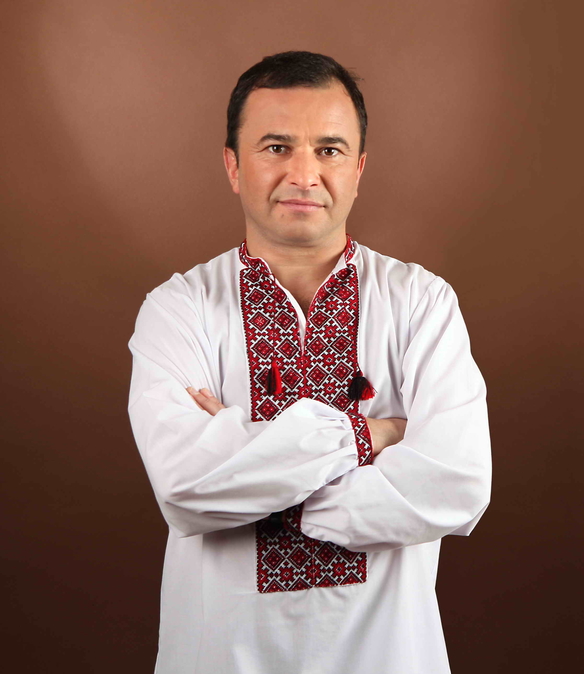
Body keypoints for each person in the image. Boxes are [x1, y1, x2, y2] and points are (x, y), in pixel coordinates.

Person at [127, 50, 492, 674]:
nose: (304, 174)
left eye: (329, 150)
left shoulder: (421, 302)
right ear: (232, 165)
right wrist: (372, 436)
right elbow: (186, 490)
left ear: (359, 168)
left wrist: (253, 470)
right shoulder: (180, 309)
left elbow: (457, 485)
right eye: (276, 147)